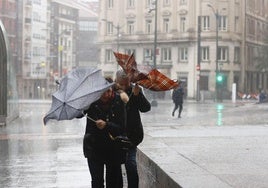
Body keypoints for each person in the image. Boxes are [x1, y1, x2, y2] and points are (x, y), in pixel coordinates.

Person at [81, 79, 126, 188]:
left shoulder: (118, 102)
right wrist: (83, 102)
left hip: (113, 148)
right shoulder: (91, 102)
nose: (106, 95)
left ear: (112, 90)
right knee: (97, 181)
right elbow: (79, 114)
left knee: (113, 182)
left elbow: (122, 128)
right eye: (103, 92)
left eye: (109, 91)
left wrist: (106, 125)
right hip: (94, 147)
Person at [115, 70, 151, 188]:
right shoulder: (112, 92)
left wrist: (138, 95)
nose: (124, 86)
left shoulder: (134, 90)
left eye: (126, 83)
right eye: (122, 84)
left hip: (132, 135)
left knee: (131, 165)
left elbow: (146, 108)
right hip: (115, 135)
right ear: (116, 81)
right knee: (114, 168)